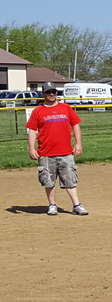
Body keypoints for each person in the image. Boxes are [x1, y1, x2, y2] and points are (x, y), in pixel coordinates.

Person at [25, 82, 88, 216]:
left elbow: (75, 125)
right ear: (43, 94)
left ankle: (77, 205)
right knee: (49, 181)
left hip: (65, 152)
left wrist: (78, 143)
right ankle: (52, 205)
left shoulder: (66, 108)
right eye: (49, 92)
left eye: (54, 91)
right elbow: (32, 130)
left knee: (70, 180)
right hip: (46, 153)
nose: (52, 94)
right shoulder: (38, 111)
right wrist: (32, 148)